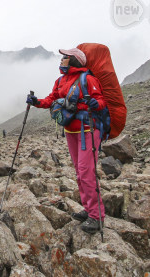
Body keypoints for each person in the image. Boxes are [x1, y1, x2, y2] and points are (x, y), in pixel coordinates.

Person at [26, 47, 107, 233]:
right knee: (80, 172)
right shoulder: (61, 81)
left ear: (74, 61)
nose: (61, 60)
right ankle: (89, 209)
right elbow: (51, 99)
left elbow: (101, 101)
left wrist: (96, 104)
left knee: (87, 172)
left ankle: (97, 216)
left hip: (88, 130)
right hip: (71, 131)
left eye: (64, 57)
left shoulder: (88, 79)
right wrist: (36, 101)